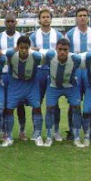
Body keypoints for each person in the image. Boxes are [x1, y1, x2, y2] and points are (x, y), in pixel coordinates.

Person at [66, 7, 91, 140]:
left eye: (84, 15)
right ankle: (72, 130)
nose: (82, 17)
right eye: (80, 15)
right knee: (74, 102)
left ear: (88, 17)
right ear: (76, 18)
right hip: (75, 72)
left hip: (90, 71)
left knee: (90, 101)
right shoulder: (70, 34)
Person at [30, 8, 64, 141]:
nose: (45, 19)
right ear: (39, 20)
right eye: (43, 17)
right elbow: (30, 50)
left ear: (51, 19)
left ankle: (55, 130)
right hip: (38, 71)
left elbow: (62, 52)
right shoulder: (33, 36)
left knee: (54, 103)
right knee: (37, 102)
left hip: (53, 71)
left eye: (47, 17)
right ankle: (36, 130)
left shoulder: (59, 35)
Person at [3, 36, 44, 147]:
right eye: (21, 48)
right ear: (18, 47)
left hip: (31, 84)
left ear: (29, 48)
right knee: (9, 109)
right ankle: (9, 136)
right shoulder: (11, 55)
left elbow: (46, 55)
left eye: (26, 48)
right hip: (15, 84)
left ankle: (38, 135)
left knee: (37, 107)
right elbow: (6, 52)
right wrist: (14, 49)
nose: (24, 50)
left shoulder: (35, 56)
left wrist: (37, 50)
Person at [44, 38, 84, 148]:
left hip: (70, 86)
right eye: (60, 49)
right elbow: (34, 51)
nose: (62, 52)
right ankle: (49, 136)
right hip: (53, 86)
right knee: (50, 108)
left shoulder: (75, 59)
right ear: (56, 49)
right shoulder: (50, 55)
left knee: (76, 108)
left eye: (65, 50)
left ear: (69, 50)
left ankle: (76, 137)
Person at [0, 12, 27, 141]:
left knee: (19, 104)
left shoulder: (22, 37)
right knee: (4, 104)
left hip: (18, 75)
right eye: (7, 21)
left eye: (12, 21)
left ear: (16, 22)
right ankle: (5, 132)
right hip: (3, 74)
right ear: (4, 23)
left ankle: (22, 131)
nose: (10, 24)